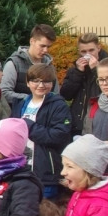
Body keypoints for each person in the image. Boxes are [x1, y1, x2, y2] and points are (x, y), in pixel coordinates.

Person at [11, 63, 72, 200]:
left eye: (46, 81)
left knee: (46, 214)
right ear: (28, 83)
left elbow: (58, 136)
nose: (41, 85)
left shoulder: (58, 105)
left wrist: (29, 126)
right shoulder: (21, 104)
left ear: (52, 83)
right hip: (20, 170)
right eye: (36, 81)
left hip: (46, 173)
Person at [60, 33, 108, 137]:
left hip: (99, 125)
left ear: (98, 48)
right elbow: (66, 95)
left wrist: (97, 70)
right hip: (77, 125)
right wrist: (78, 72)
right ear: (79, 52)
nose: (88, 54)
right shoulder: (75, 69)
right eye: (83, 51)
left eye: (91, 50)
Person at [1, 24, 57, 107]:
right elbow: (4, 93)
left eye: (48, 47)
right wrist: (32, 99)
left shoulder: (49, 65)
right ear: (32, 41)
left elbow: (56, 94)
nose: (46, 50)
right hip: (19, 115)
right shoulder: (14, 63)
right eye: (42, 46)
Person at [82, 56, 108, 172]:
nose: (104, 83)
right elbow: (86, 132)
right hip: (96, 169)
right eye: (101, 79)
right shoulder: (94, 104)